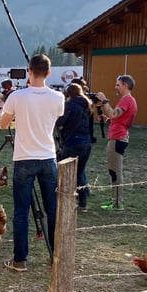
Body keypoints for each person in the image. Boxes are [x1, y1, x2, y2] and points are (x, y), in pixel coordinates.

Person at [0, 53, 65, 271]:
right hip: (47, 158)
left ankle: (20, 260)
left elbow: (3, 124)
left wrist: (4, 108)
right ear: (49, 72)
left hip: (24, 159)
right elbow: (53, 117)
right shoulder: (58, 97)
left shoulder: (17, 96)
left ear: (29, 71)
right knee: (52, 209)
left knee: (21, 211)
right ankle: (56, 255)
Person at [96, 75, 138, 210]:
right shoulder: (128, 100)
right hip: (119, 137)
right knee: (114, 171)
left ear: (126, 85)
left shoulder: (127, 100)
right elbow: (118, 118)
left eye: (118, 85)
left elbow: (114, 114)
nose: (115, 87)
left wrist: (104, 101)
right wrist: (107, 119)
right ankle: (116, 200)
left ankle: (117, 203)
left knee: (115, 172)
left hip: (117, 139)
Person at [56, 82, 94, 211]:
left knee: (65, 171)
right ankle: (83, 202)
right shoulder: (86, 104)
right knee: (79, 172)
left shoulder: (70, 105)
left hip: (73, 142)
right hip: (86, 142)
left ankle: (65, 198)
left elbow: (60, 122)